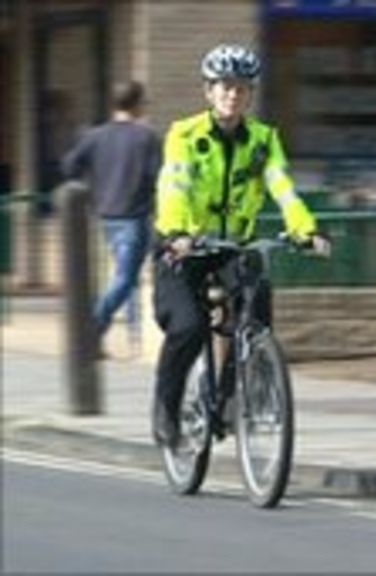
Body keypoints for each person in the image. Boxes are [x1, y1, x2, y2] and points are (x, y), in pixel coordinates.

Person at [151, 44, 330, 446]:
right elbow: (174, 185)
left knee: (257, 300)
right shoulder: (184, 135)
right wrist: (179, 231)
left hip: (232, 246)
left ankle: (235, 394)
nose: (233, 94)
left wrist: (306, 229)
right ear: (209, 92)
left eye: (242, 88)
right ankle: (166, 408)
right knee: (190, 326)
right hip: (183, 248)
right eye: (224, 86)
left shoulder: (264, 140)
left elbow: (283, 189)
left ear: (251, 94)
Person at [62, 80, 162, 353]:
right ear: (138, 104)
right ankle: (91, 329)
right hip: (134, 216)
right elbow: (158, 178)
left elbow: (69, 165)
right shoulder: (147, 137)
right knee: (126, 279)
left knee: (124, 275)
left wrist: (90, 185)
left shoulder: (95, 136)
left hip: (104, 216)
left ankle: (132, 336)